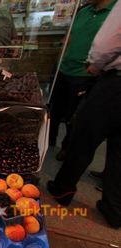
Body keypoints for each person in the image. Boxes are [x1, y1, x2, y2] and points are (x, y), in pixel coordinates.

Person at [47, 0, 121, 229]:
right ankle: (114, 209)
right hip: (72, 71)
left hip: (110, 81)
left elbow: (104, 45)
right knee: (119, 147)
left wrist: (95, 65)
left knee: (84, 136)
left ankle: (63, 189)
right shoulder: (83, 11)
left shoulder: (117, 9)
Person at [48, 0, 116, 161]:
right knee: (54, 109)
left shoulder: (113, 13)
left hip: (85, 74)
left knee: (74, 116)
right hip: (64, 69)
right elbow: (69, 36)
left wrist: (97, 67)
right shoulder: (83, 11)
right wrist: (59, 60)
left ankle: (67, 148)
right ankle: (49, 141)